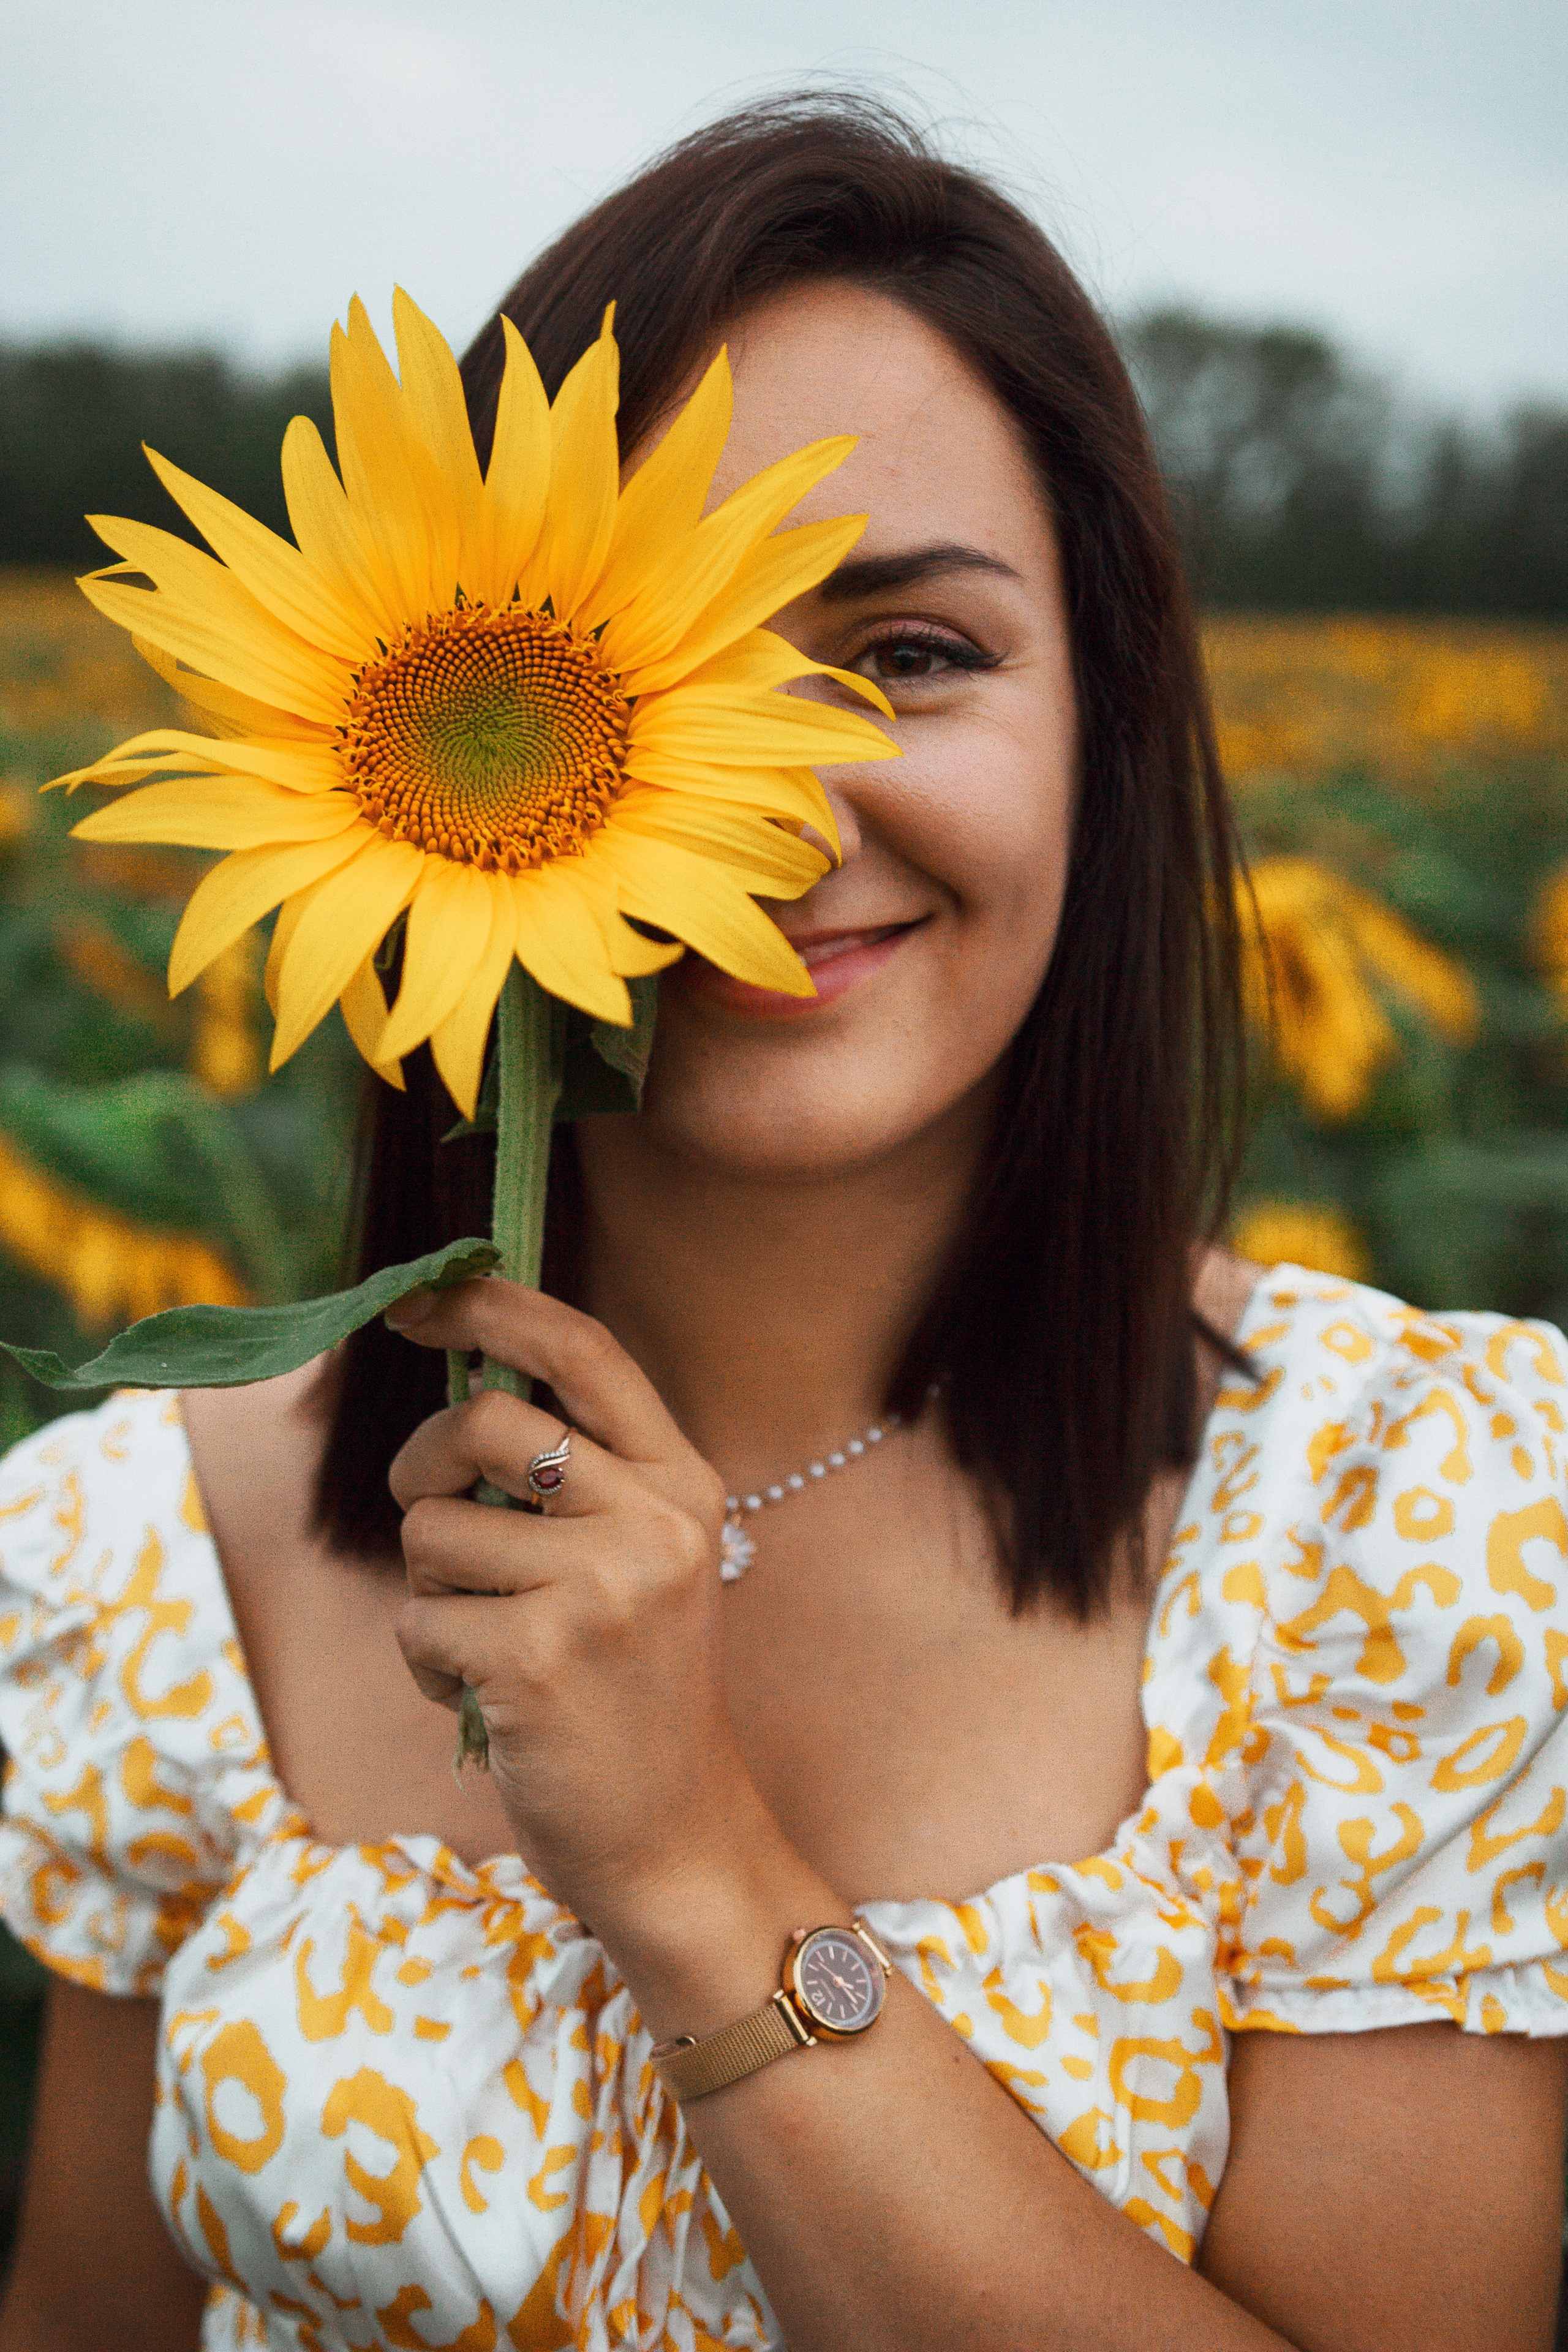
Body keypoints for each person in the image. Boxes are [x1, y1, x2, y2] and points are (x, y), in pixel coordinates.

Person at [2, 94, 1566, 2352]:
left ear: (1107, 732)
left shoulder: (1409, 1529)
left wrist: (690, 1867)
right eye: (652, 673)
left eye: (911, 654)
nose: (757, 797)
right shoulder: (161, 1549)